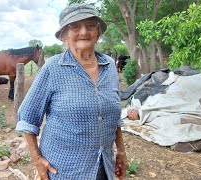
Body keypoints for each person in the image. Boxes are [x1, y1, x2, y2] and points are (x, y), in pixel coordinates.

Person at [16, 3, 128, 180]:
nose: (84, 32)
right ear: (64, 36)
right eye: (75, 26)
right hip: (63, 170)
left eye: (91, 25)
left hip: (103, 167)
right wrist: (36, 159)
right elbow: (27, 118)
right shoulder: (52, 68)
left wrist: (121, 151)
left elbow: (113, 116)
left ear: (98, 33)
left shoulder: (109, 66)